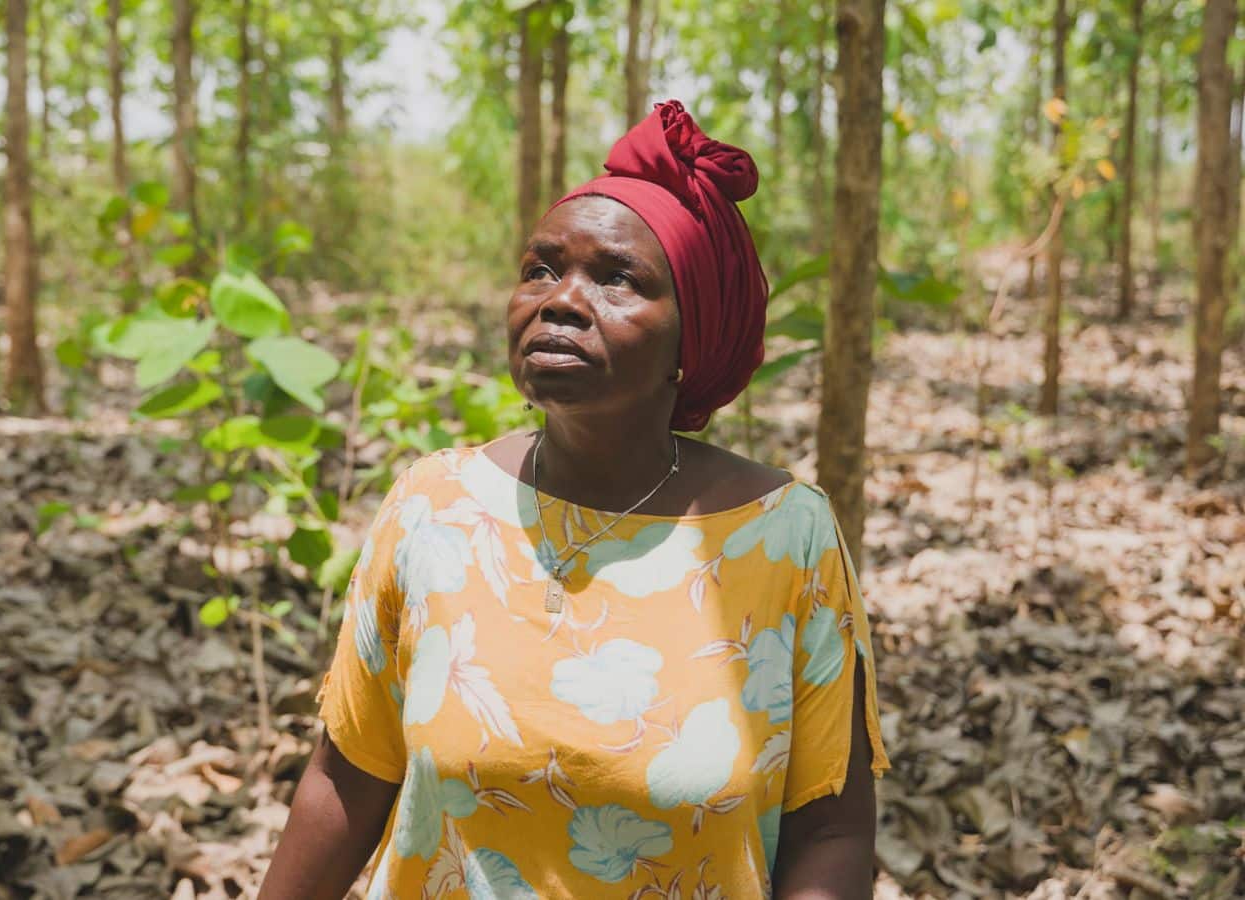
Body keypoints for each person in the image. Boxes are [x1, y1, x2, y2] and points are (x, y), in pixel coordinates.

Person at [261, 100, 890, 899]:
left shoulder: (784, 537)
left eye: (618, 278)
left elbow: (830, 826)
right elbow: (349, 774)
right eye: (541, 269)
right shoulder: (435, 506)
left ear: (691, 340)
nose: (561, 298)